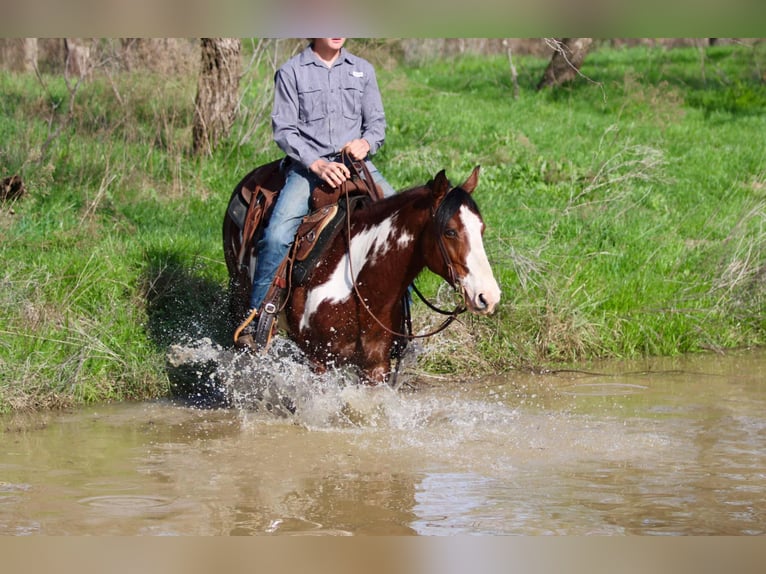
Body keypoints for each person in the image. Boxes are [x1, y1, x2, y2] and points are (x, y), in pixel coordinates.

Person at [236, 38, 396, 349]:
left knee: (401, 225)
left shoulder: (363, 70)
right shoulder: (291, 72)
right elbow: (284, 129)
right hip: (308, 170)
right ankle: (258, 318)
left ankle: (399, 319)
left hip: (358, 167)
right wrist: (318, 164)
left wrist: (366, 143)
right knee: (277, 235)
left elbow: (376, 124)